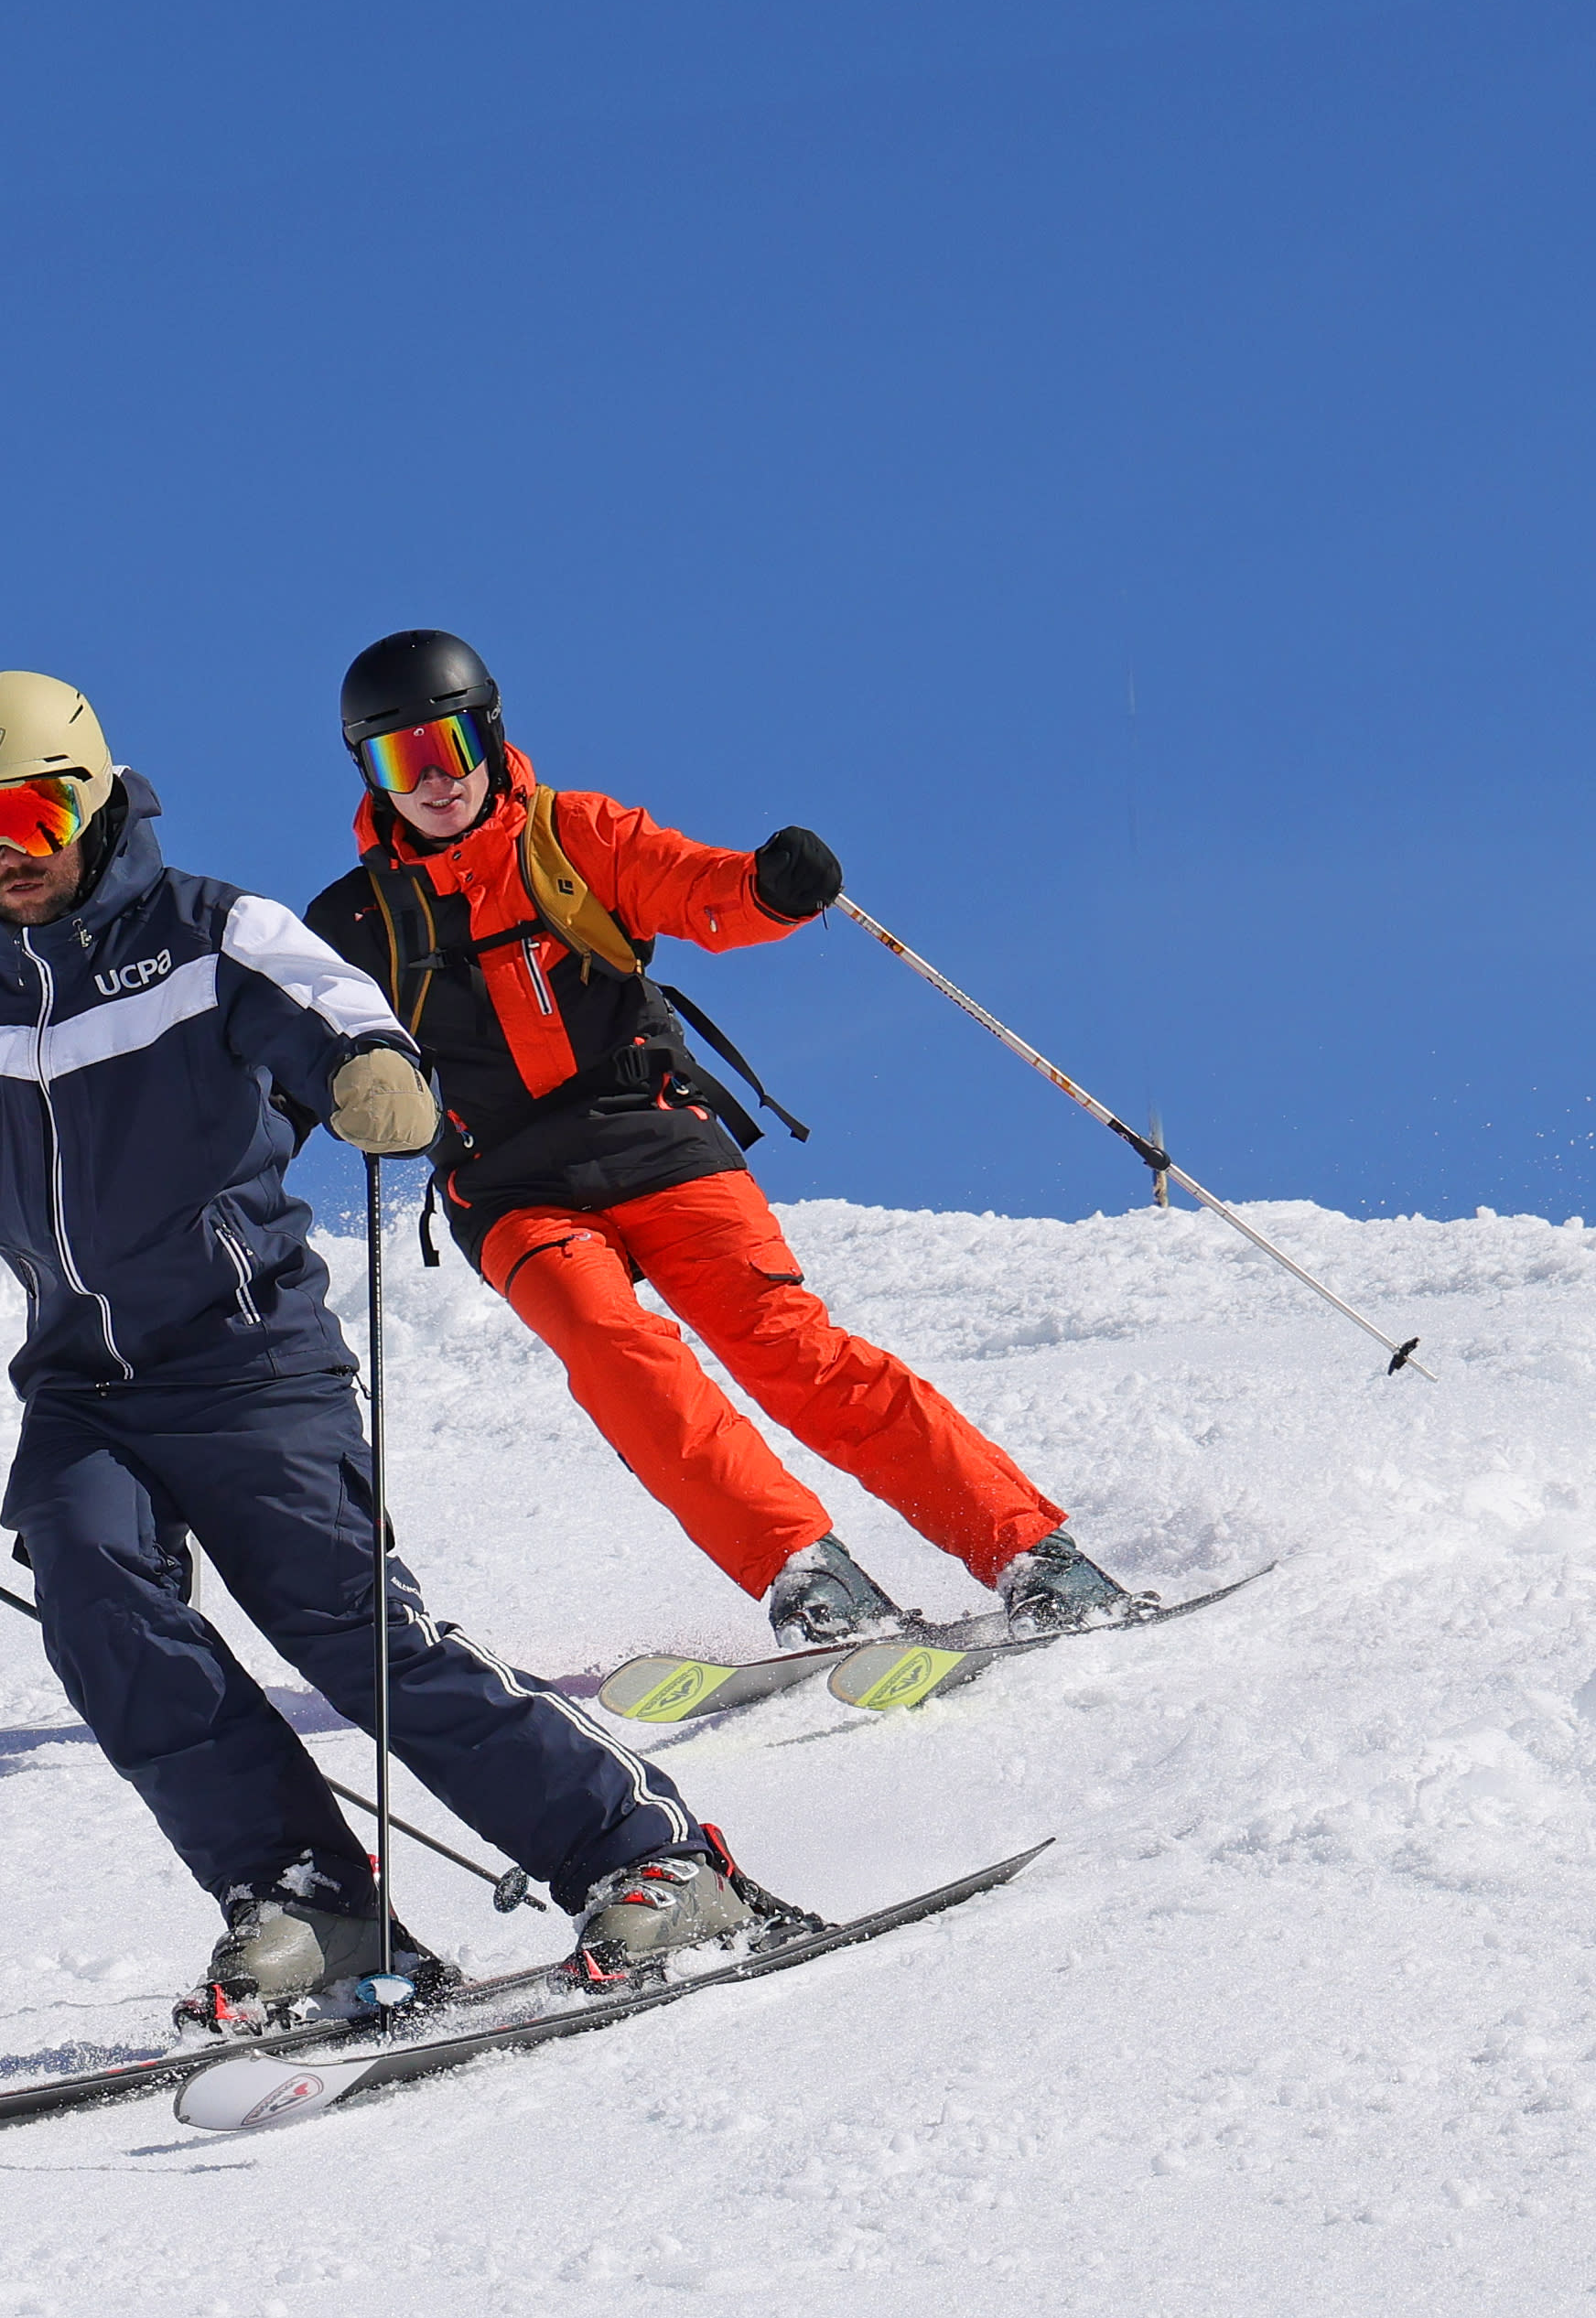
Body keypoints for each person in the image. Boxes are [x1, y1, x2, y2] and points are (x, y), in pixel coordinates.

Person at [0, 671, 773, 2028]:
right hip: (86, 1392)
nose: (8, 851)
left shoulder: (212, 932)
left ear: (92, 798)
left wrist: (372, 1072)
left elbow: (340, 1014)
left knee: (355, 1637)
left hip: (249, 1358)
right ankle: (313, 1905)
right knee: (101, 1610)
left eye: (34, 810)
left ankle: (654, 1864)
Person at [300, 631, 1128, 1653]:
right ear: (369, 775)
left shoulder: (570, 835)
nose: (433, 780)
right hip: (506, 1182)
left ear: (490, 731)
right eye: (399, 760)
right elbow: (299, 1049)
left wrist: (771, 889)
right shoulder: (351, 921)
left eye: (450, 744)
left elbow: (695, 887)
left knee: (785, 1348)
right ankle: (806, 1573)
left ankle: (1032, 1553)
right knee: (614, 1355)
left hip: (647, 1128)